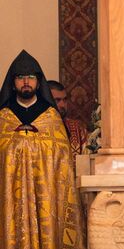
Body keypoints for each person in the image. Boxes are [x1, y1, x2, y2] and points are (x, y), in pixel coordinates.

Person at [0, 50, 85, 249]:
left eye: (31, 77)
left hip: (47, 196)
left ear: (39, 82)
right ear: (13, 83)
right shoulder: (4, 116)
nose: (26, 82)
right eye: (20, 78)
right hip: (11, 199)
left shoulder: (52, 118)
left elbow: (62, 163)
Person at [48, 80, 89, 163]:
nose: (63, 105)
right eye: (57, 100)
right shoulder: (35, 129)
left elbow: (86, 164)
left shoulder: (78, 128)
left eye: (65, 100)